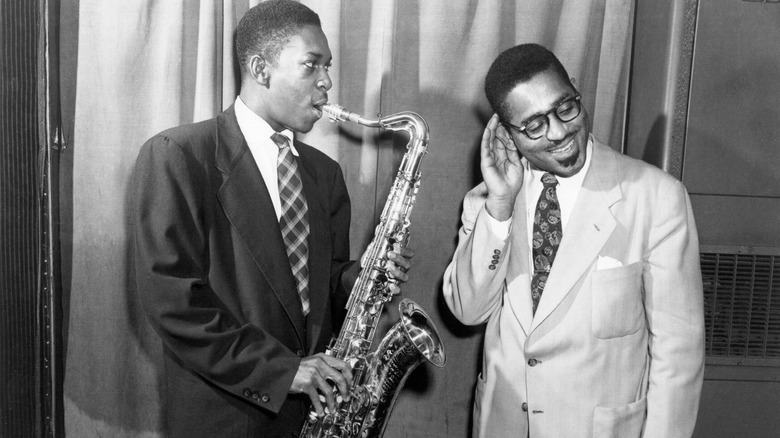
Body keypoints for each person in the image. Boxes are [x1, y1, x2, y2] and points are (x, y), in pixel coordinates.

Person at [132, 1, 412, 436]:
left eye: (328, 67)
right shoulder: (178, 155)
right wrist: (283, 371)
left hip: (315, 415)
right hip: (226, 417)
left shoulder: (325, 175)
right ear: (261, 69)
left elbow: (324, 285)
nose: (327, 82)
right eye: (311, 65)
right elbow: (174, 303)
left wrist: (362, 279)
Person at [443, 43, 704, 437]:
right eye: (534, 125)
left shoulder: (657, 197)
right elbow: (468, 310)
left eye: (566, 107)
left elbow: (678, 357)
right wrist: (500, 206)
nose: (560, 132)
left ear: (577, 90)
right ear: (506, 132)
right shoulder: (487, 202)